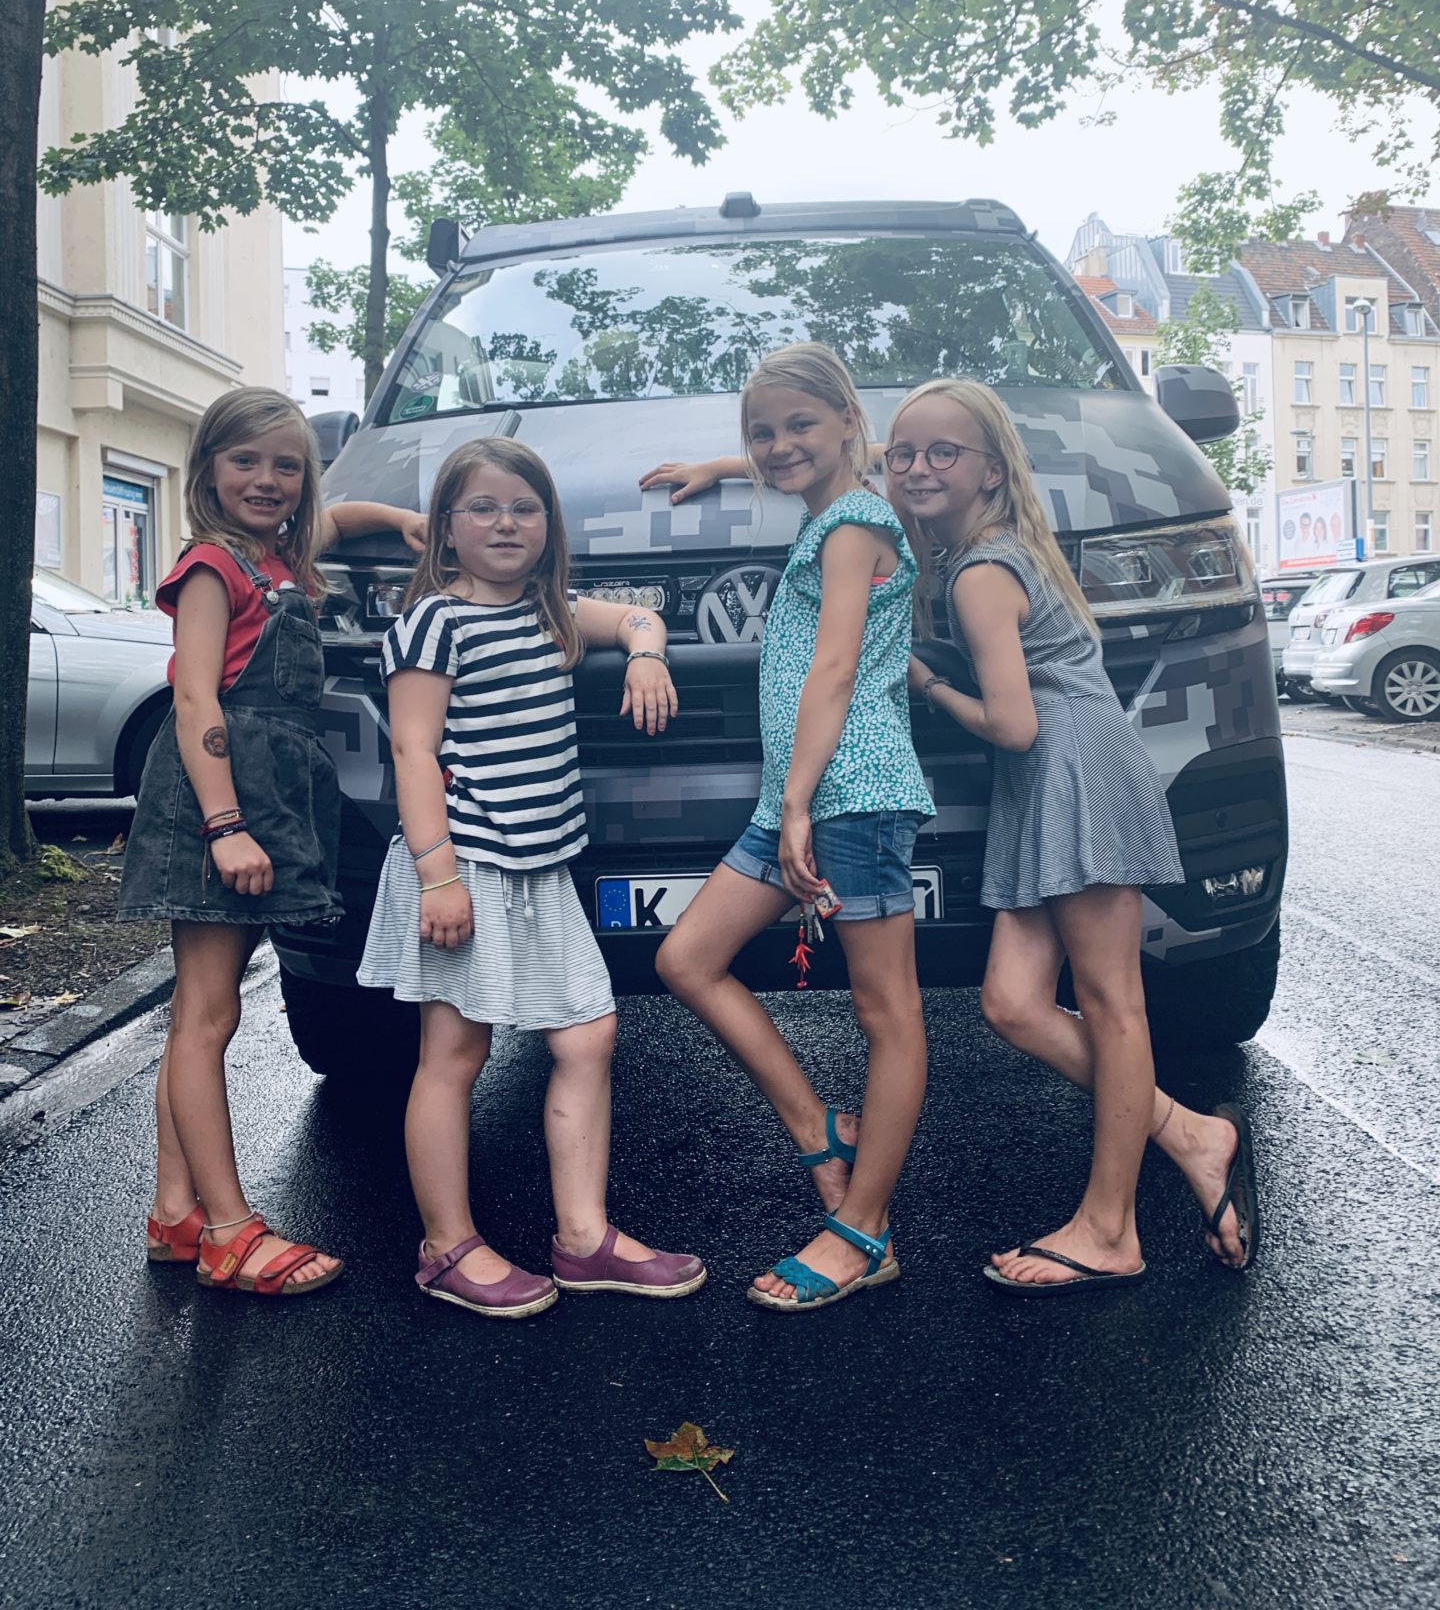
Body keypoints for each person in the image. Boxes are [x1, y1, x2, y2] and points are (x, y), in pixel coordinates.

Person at [888, 378, 1258, 1293]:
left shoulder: (981, 573)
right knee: (1013, 1003)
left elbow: (1014, 725)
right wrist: (736, 463)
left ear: (990, 470)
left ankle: (1110, 1229)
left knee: (1112, 1001)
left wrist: (927, 684)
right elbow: (855, 458)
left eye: (943, 453)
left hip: (1073, 768)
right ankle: (1188, 1132)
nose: (919, 468)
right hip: (1048, 779)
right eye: (905, 454)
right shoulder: (992, 546)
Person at [357, 437, 705, 1319]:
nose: (505, 523)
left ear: (549, 525)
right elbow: (412, 751)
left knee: (587, 1037)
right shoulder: (434, 622)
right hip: (467, 863)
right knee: (454, 1054)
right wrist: (438, 877)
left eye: (524, 508)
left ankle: (583, 1241)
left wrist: (647, 652)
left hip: (542, 869)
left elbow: (634, 620)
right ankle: (447, 1248)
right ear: (445, 527)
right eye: (482, 507)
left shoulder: (554, 615)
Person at [646, 344, 933, 1312]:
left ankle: (863, 1231)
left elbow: (835, 669)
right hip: (799, 799)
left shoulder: (854, 525)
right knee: (687, 959)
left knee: (886, 1013)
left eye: (799, 425)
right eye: (760, 432)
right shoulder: (831, 506)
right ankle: (822, 1132)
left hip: (850, 793)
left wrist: (800, 803)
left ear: (849, 420)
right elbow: (797, 457)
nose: (777, 447)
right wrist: (721, 466)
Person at [121, 387, 425, 1296]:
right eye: (245, 460)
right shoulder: (212, 567)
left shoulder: (280, 561)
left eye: (286, 465)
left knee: (200, 1010)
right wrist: (224, 826)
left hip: (267, 799)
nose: (266, 479)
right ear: (207, 468)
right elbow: (194, 699)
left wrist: (401, 520)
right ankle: (229, 1231)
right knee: (208, 1016)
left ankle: (176, 1211)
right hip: (220, 805)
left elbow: (340, 518)